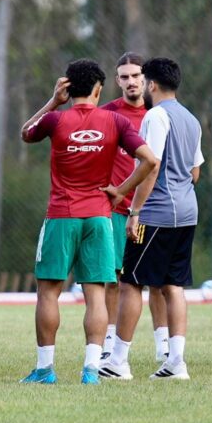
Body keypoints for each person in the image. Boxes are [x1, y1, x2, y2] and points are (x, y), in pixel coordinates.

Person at [19, 60, 158, 384]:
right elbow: (150, 160)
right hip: (99, 217)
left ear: (69, 89)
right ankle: (91, 369)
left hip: (61, 216)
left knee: (49, 293)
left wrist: (53, 101)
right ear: (99, 89)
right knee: (96, 293)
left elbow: (26, 133)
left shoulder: (55, 119)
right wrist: (121, 191)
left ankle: (45, 370)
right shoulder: (115, 121)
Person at [99, 57, 203, 381]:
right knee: (173, 285)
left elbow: (150, 165)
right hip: (188, 211)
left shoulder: (156, 116)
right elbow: (195, 172)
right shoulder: (191, 118)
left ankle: (118, 361)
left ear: (152, 84)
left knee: (130, 282)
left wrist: (131, 206)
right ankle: (176, 362)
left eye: (142, 80)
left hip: (157, 213)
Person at [100, 52, 169, 363]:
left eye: (136, 75)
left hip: (153, 210)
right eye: (125, 76)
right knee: (114, 279)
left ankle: (163, 346)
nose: (131, 81)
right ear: (117, 81)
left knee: (157, 282)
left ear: (147, 79)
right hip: (116, 211)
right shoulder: (106, 115)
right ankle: (111, 343)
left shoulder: (160, 114)